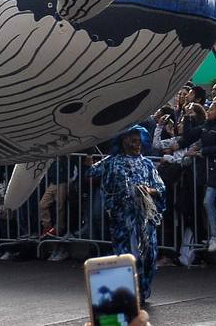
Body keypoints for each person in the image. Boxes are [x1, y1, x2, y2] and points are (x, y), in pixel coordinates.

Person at [90, 125, 165, 304]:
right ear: (124, 141)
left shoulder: (146, 164)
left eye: (139, 141)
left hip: (144, 218)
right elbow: (92, 171)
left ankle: (143, 289)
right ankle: (130, 293)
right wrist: (88, 160)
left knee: (149, 255)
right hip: (122, 218)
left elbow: (160, 187)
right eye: (133, 141)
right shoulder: (112, 162)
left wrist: (147, 190)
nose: (137, 145)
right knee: (128, 256)